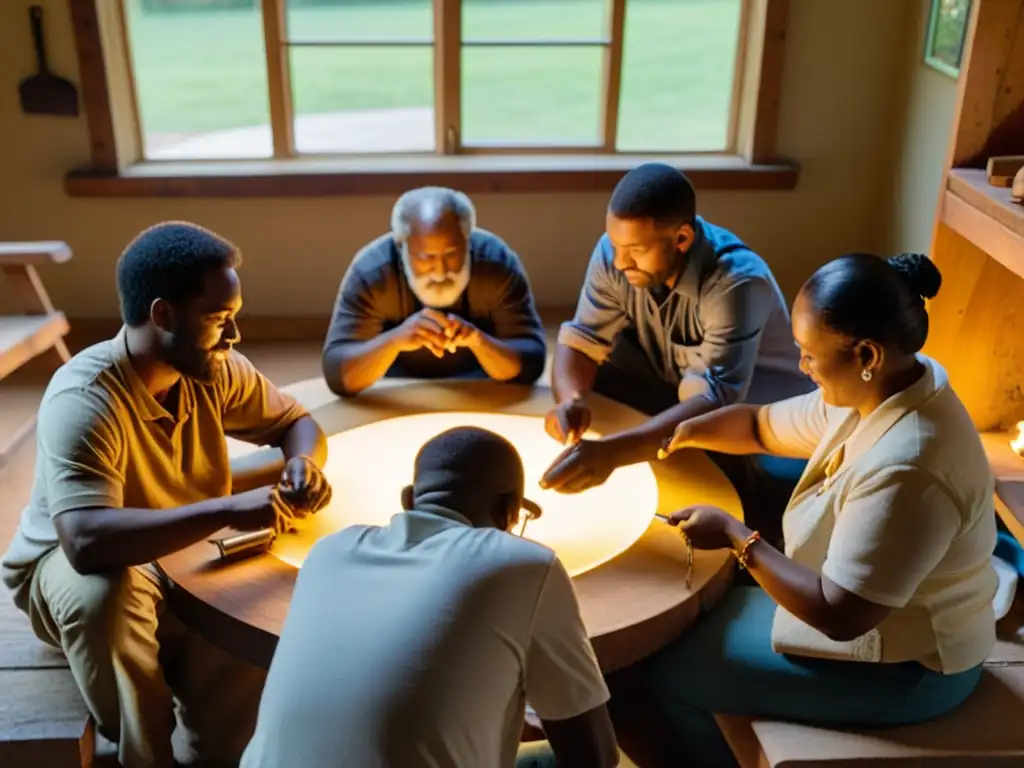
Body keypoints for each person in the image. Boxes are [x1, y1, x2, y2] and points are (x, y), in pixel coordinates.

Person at [608, 253, 997, 767]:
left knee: (667, 671)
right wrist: (682, 432)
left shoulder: (912, 466)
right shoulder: (891, 382)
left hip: (910, 664)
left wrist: (734, 534)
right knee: (691, 617)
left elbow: (840, 615)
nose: (801, 367)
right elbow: (759, 427)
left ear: (866, 353)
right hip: (868, 610)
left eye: (809, 354)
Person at [0, 222, 333, 768]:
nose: (234, 337)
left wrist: (300, 462)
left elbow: (297, 421)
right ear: (162, 315)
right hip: (64, 566)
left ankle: (222, 750)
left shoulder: (213, 369)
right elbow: (84, 541)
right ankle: (144, 750)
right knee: (108, 595)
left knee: (248, 613)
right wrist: (228, 508)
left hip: (179, 550)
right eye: (219, 319)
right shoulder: (84, 398)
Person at [240, 426, 619, 768]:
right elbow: (595, 757)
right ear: (509, 511)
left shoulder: (327, 552)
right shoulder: (524, 565)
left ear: (409, 499)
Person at [541, 162, 810, 496]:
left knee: (725, 490)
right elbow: (581, 340)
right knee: (600, 388)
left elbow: (713, 404)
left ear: (681, 238)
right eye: (615, 244)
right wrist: (570, 400)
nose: (621, 261)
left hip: (751, 413)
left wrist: (615, 452)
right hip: (675, 381)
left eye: (636, 250)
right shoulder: (615, 253)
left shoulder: (736, 281)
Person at [322, 187, 547, 396]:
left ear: (468, 240)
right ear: (402, 246)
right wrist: (394, 341)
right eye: (426, 257)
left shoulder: (497, 264)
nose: (440, 272)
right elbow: (337, 374)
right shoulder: (373, 273)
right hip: (395, 391)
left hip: (482, 389)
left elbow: (532, 361)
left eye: (450, 255)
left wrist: (478, 341)